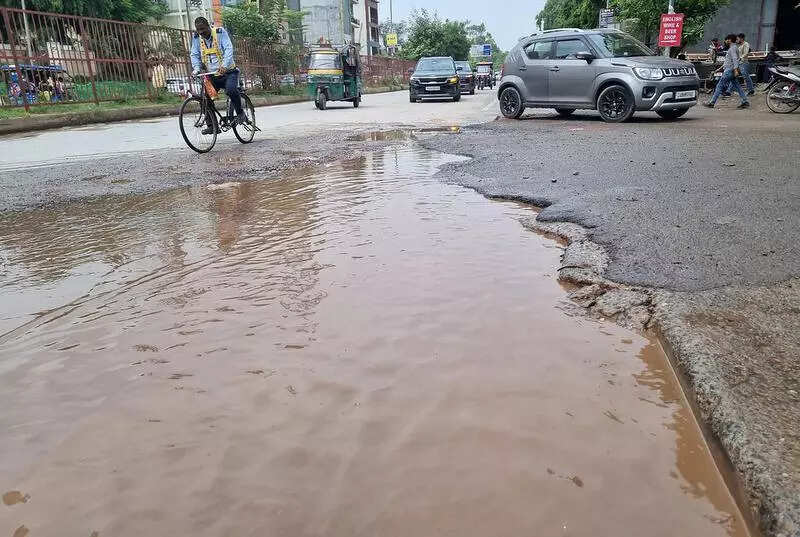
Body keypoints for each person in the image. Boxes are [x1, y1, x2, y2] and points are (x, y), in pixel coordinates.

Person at [190, 16, 245, 133]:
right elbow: (194, 54)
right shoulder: (196, 38)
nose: (201, 32)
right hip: (212, 75)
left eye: (203, 29)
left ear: (208, 26)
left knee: (230, 90)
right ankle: (212, 126)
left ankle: (240, 113)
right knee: (205, 98)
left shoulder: (220, 32)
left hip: (229, 72)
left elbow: (229, 48)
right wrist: (196, 69)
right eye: (198, 30)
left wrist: (224, 66)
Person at [705, 34, 749, 109]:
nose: (725, 41)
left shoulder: (732, 48)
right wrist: (719, 69)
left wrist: (735, 70)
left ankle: (712, 102)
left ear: (729, 40)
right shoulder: (734, 48)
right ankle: (745, 101)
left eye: (726, 39)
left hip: (729, 71)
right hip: (731, 70)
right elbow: (729, 61)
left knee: (719, 85)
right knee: (738, 86)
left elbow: (735, 60)